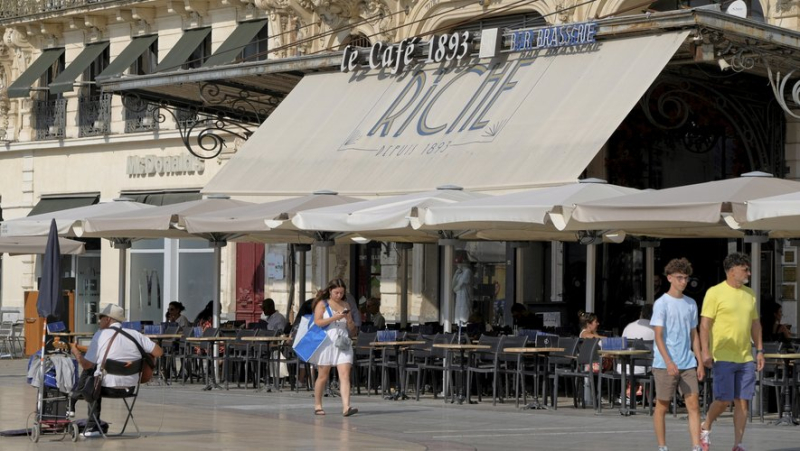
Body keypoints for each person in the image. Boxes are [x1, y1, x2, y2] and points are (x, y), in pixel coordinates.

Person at [699, 253, 764, 451]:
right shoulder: (715, 292)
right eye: (745, 269)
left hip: (745, 357)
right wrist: (705, 351)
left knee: (742, 402)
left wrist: (759, 350)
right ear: (732, 270)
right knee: (724, 400)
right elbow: (704, 325)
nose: (749, 273)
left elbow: (755, 325)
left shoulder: (750, 294)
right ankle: (706, 425)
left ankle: (738, 444)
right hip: (723, 356)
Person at [69, 304, 163, 437]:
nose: (98, 321)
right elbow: (159, 352)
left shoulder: (100, 335)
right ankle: (80, 406)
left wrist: (76, 352)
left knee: (91, 374)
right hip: (130, 388)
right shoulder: (135, 334)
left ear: (108, 319)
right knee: (95, 372)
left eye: (100, 318)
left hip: (105, 388)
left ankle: (92, 425)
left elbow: (86, 365)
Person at [650, 258, 704, 451]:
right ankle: (662, 446)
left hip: (687, 362)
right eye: (680, 278)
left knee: (694, 405)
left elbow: (694, 334)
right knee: (662, 406)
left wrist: (699, 362)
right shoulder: (661, 303)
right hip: (665, 364)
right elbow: (658, 336)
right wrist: (668, 361)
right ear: (670, 278)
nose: (684, 282)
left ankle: (696, 446)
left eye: (686, 278)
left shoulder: (691, 304)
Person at [310, 278, 358, 417]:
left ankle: (346, 406)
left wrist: (349, 321)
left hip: (343, 341)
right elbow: (318, 322)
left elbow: (353, 330)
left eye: (341, 293)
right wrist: (334, 318)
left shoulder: (346, 304)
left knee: (344, 374)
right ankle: (318, 404)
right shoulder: (323, 304)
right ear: (330, 291)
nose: (339, 296)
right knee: (323, 376)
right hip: (327, 341)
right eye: (336, 292)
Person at [452, 258, 472, 326]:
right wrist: (455, 274)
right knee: (457, 313)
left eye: (459, 263)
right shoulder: (459, 272)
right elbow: (453, 284)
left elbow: (462, 282)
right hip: (458, 296)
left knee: (463, 313)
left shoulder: (467, 271)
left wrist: (456, 288)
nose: (458, 265)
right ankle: (457, 326)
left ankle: (463, 327)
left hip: (465, 295)